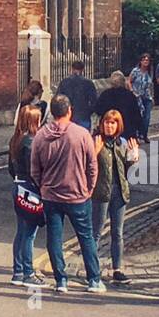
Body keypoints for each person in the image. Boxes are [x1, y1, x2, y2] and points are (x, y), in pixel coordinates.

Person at [30, 94, 105, 295]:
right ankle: (94, 280)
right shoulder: (81, 134)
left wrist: (42, 186)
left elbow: (35, 169)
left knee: (54, 238)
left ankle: (61, 280)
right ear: (69, 110)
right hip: (78, 195)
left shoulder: (40, 135)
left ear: (52, 112)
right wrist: (89, 188)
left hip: (51, 196)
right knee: (86, 237)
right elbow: (92, 166)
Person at [91, 109, 132, 285]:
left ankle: (117, 269)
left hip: (119, 192)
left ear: (118, 125)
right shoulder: (96, 141)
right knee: (96, 233)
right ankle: (92, 269)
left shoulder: (122, 143)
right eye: (107, 122)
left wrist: (132, 159)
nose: (109, 125)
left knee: (118, 232)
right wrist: (94, 151)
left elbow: (124, 171)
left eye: (113, 123)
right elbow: (86, 165)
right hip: (101, 192)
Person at [8, 104, 47, 287]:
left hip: (18, 185)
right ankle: (28, 273)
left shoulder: (15, 140)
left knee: (21, 232)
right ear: (33, 121)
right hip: (31, 189)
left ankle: (17, 272)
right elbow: (35, 171)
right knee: (30, 234)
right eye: (39, 119)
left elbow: (10, 168)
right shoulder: (31, 143)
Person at [94, 70, 141, 143]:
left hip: (110, 130)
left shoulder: (105, 95)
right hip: (127, 130)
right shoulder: (130, 96)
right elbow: (136, 114)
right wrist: (140, 130)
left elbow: (98, 110)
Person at [56, 60, 98, 126]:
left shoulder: (64, 82)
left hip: (67, 116)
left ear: (72, 69)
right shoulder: (88, 83)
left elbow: (58, 100)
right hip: (83, 117)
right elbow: (94, 101)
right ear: (83, 69)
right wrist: (88, 112)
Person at [126, 52, 155, 142]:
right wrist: (132, 91)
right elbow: (129, 81)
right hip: (137, 97)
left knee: (147, 117)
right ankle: (137, 135)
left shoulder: (150, 71)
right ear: (140, 61)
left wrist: (152, 97)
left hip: (147, 97)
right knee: (138, 116)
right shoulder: (136, 71)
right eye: (144, 60)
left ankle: (144, 134)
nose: (146, 61)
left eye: (147, 60)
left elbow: (151, 85)